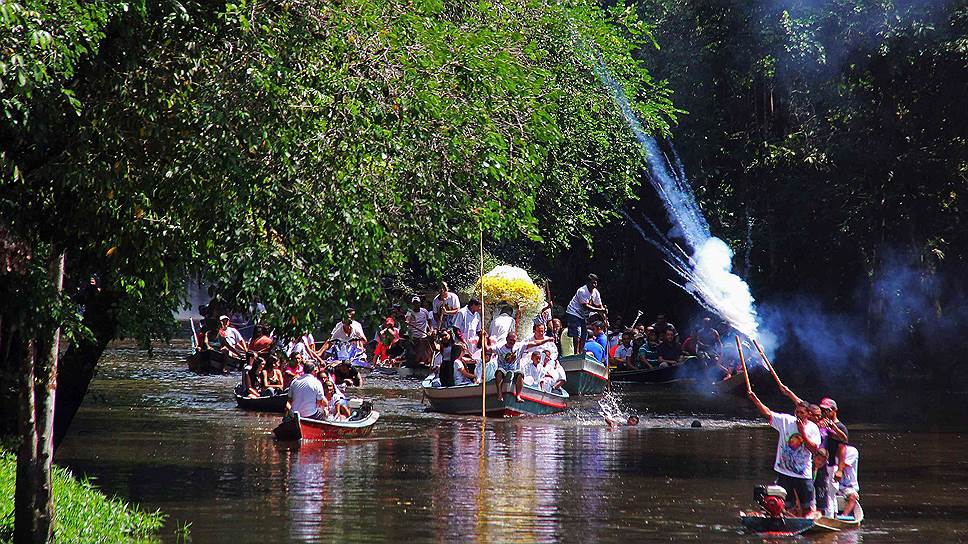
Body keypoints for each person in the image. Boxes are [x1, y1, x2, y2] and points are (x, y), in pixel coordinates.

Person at [748, 390, 822, 517]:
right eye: (797, 412)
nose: (798, 415)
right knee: (784, 505)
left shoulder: (813, 428)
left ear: (808, 414)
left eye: (802, 413)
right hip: (784, 472)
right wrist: (755, 399)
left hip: (803, 475)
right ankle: (784, 520)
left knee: (807, 508)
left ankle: (806, 523)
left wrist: (802, 432)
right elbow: (767, 413)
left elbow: (814, 450)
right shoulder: (786, 421)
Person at [564, 274, 606, 355]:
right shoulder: (582, 291)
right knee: (577, 333)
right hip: (573, 312)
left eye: (596, 283)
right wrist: (601, 310)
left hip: (582, 315)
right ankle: (576, 353)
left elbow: (600, 306)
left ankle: (581, 352)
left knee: (584, 333)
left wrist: (605, 320)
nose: (594, 285)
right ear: (588, 283)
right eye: (592, 283)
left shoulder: (596, 292)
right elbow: (586, 307)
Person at [494, 331, 524, 402]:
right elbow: (487, 349)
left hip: (514, 370)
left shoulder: (519, 347)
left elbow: (534, 343)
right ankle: (500, 394)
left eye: (514, 340)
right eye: (511, 340)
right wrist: (484, 339)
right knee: (499, 372)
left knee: (520, 373)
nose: (512, 342)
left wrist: (547, 340)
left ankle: (518, 396)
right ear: (506, 339)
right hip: (503, 369)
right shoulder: (499, 347)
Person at [405, 296, 435, 366]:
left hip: (423, 336)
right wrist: (407, 322)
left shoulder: (424, 311)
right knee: (413, 354)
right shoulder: (410, 312)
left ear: (419, 303)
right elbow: (407, 319)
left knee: (424, 353)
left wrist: (431, 330)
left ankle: (424, 364)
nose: (416, 305)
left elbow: (429, 321)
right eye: (414, 303)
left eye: (417, 303)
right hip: (413, 337)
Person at [837, 445, 860, 518]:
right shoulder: (830, 451)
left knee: (853, 496)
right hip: (834, 484)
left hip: (848, 486)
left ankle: (844, 516)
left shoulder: (852, 451)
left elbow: (843, 464)